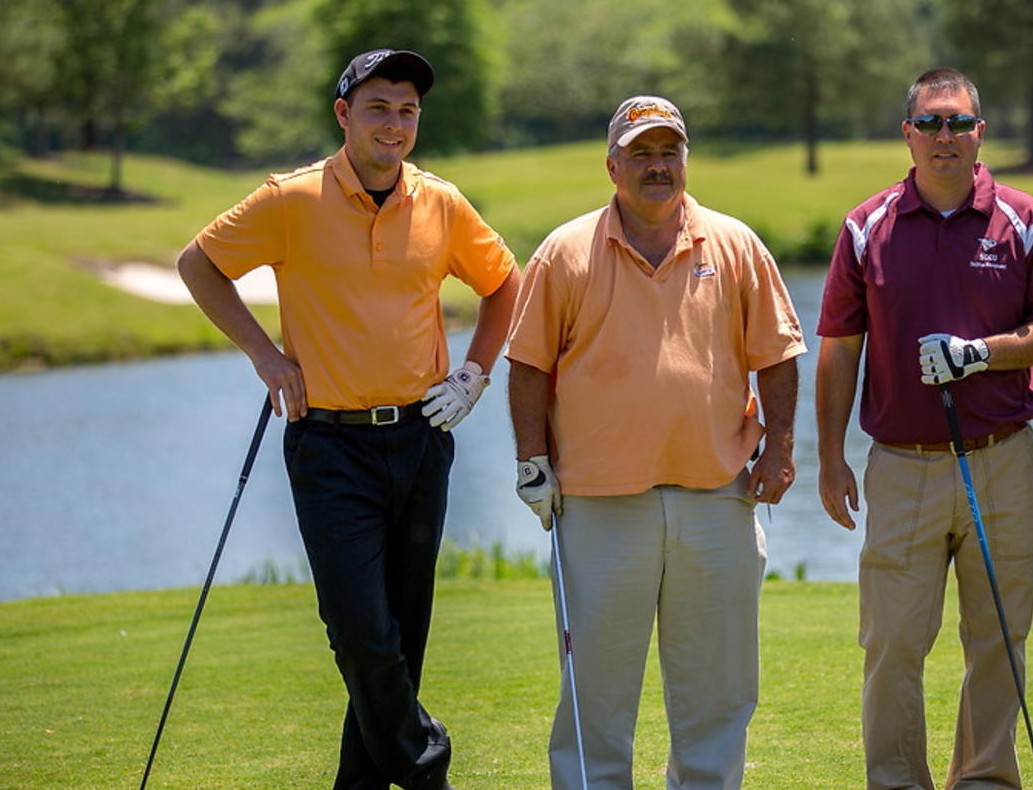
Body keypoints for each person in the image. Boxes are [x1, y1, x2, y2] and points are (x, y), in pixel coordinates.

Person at [178, 48, 522, 790]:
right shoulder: (288, 200)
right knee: (362, 632)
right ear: (344, 115)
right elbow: (199, 265)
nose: (395, 125)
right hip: (329, 445)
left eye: (407, 111)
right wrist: (266, 359)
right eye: (378, 107)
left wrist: (473, 374)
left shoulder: (440, 202)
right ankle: (427, 764)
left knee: (401, 635)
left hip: (422, 439)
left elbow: (505, 284)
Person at [504, 95, 804, 790]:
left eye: (669, 151)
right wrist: (531, 462)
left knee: (718, 691)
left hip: (717, 496)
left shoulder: (733, 243)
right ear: (612, 165)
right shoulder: (565, 251)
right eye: (641, 153)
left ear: (686, 161)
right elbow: (527, 366)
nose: (657, 166)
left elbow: (780, 354)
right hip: (598, 503)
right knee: (597, 696)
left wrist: (782, 448)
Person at [815, 67, 1033, 789]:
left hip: (1004, 460)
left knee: (997, 635)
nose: (945, 136)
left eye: (959, 122)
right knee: (894, 641)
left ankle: (986, 780)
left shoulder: (1022, 218)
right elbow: (839, 346)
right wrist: (831, 459)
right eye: (930, 123)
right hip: (902, 464)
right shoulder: (866, 227)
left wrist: (980, 356)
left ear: (979, 133)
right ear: (908, 135)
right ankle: (897, 781)